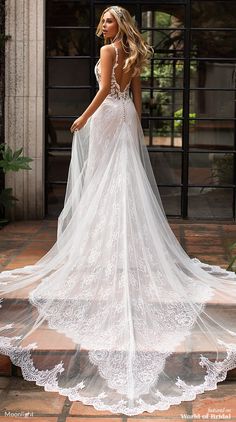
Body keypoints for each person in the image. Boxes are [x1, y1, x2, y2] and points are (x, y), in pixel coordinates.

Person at [0, 5, 236, 416]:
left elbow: (106, 90)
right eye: (104, 20)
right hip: (124, 119)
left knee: (107, 180)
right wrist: (136, 126)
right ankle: (119, 245)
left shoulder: (112, 50)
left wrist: (83, 117)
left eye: (109, 20)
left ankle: (107, 248)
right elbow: (135, 97)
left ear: (118, 25)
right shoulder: (132, 51)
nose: (104, 26)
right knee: (121, 181)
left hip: (109, 114)